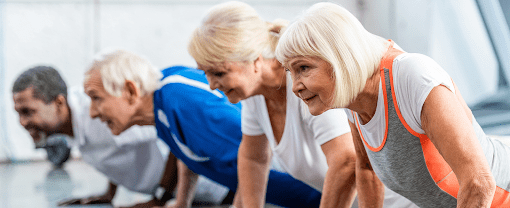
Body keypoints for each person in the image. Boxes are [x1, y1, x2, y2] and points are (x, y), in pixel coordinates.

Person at [275, 2, 510, 207]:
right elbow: (366, 170)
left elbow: (479, 183)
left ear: (337, 58)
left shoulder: (412, 76)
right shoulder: (352, 98)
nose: (295, 86)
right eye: (290, 72)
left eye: (303, 68)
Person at [187, 2, 418, 208]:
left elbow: (346, 161)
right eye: (205, 73)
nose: (211, 85)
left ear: (253, 59)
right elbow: (253, 157)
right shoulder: (254, 94)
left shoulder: (306, 86)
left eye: (218, 72)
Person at [83, 49, 323, 208]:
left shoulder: (182, 100)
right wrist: (180, 203)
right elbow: (188, 152)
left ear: (130, 91)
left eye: (96, 98)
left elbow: (253, 154)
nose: (93, 113)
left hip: (319, 196)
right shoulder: (163, 103)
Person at [12, 66, 231, 207]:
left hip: (213, 189)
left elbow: (176, 132)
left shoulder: (98, 114)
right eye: (18, 113)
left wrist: (161, 197)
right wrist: (110, 193)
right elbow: (111, 148)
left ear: (59, 103)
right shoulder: (71, 121)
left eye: (28, 112)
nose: (23, 123)